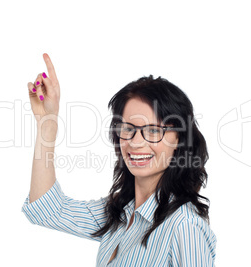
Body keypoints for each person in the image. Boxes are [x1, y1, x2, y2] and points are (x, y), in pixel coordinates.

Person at [21, 53, 217, 266]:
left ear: (180, 139)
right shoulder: (119, 212)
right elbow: (45, 210)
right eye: (128, 129)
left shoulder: (185, 226)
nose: (136, 142)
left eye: (153, 130)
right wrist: (47, 122)